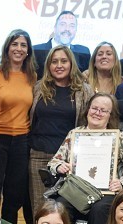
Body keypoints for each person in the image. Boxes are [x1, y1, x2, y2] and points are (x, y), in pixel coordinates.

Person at [46, 93, 123, 224]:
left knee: (100, 209)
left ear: (110, 115)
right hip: (76, 190)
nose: (97, 113)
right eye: (95, 108)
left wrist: (122, 182)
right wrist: (60, 165)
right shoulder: (75, 134)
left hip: (105, 192)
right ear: (88, 110)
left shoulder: (118, 137)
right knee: (61, 207)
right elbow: (54, 162)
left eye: (103, 110)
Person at [29, 45, 92, 215]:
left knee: (65, 210)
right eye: (54, 61)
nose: (59, 65)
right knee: (40, 208)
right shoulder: (38, 88)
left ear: (71, 64)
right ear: (48, 65)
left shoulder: (84, 90)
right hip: (39, 155)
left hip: (68, 160)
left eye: (64, 61)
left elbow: (88, 124)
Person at [0, 29, 37, 224]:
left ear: (28, 51)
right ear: (7, 47)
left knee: (15, 193)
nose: (18, 48)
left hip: (21, 141)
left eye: (23, 45)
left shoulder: (32, 76)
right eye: (14, 44)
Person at [33, 11, 91, 78]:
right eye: (63, 24)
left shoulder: (84, 53)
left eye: (72, 26)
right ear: (55, 28)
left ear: (76, 30)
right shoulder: (35, 51)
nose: (67, 29)